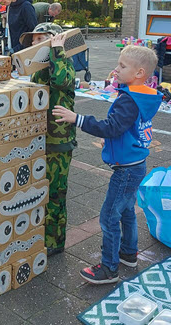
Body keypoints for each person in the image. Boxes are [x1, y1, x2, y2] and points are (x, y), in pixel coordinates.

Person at [54, 45, 162, 284]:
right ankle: (128, 254)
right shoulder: (143, 95)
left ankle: (109, 268)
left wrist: (77, 119)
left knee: (109, 216)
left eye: (122, 66)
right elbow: (127, 128)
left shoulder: (129, 100)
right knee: (126, 212)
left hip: (126, 169)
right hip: (136, 163)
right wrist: (115, 138)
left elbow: (112, 126)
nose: (116, 69)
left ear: (139, 73)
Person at [19, 23, 76, 257]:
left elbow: (62, 80)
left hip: (58, 139)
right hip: (41, 138)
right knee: (40, 190)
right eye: (33, 40)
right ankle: (40, 232)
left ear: (54, 41)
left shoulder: (63, 62)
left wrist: (58, 50)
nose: (34, 44)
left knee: (55, 193)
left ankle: (54, 240)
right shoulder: (40, 66)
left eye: (40, 39)